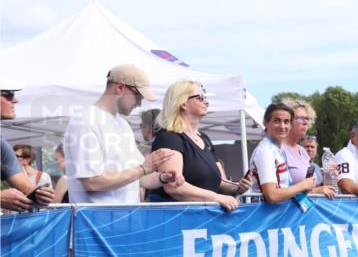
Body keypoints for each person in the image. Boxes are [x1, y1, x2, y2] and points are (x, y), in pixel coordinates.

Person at [63, 64, 181, 204]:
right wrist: (143, 169)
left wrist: (163, 177)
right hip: (96, 218)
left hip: (126, 216)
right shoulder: (85, 121)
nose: (139, 104)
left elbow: (140, 178)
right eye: (138, 96)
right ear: (120, 87)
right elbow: (92, 184)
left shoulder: (123, 125)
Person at [149, 80, 252, 210]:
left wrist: (237, 187)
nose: (207, 102)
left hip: (205, 218)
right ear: (183, 103)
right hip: (179, 218)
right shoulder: (169, 138)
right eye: (200, 97)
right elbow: (174, 187)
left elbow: (221, 182)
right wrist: (217, 198)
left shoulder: (204, 139)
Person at [249, 103, 319, 204]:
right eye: (276, 121)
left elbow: (283, 188)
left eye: (286, 122)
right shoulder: (265, 151)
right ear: (265, 122)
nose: (282, 126)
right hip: (267, 212)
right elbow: (272, 195)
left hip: (279, 211)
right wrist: (303, 185)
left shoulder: (275, 149)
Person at [2, 82, 57, 212]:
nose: (15, 100)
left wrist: (40, 194)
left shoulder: (2, 146)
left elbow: (27, 189)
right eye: (9, 95)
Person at [282, 98, 334, 196]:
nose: (305, 122)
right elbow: (276, 191)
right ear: (288, 120)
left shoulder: (302, 151)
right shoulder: (278, 149)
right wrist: (315, 191)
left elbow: (308, 186)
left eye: (307, 119)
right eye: (301, 118)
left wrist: (330, 177)